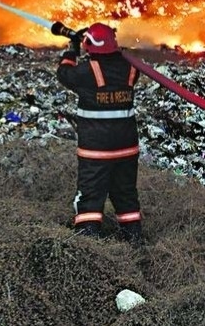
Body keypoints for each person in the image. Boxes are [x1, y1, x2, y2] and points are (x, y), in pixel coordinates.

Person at [56, 22, 144, 245]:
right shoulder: (131, 68)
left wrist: (72, 48)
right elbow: (122, 65)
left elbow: (64, 73)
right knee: (126, 195)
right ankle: (134, 241)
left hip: (97, 151)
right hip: (126, 148)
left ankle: (89, 243)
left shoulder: (87, 72)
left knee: (90, 197)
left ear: (90, 46)